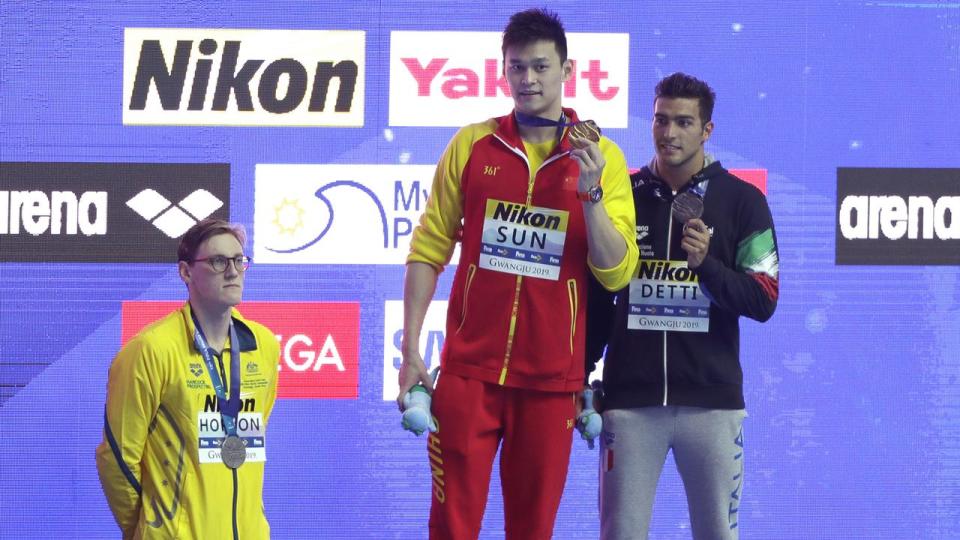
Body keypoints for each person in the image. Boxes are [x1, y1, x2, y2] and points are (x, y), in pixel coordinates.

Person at [396, 8, 638, 540]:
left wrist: (591, 193)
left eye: (541, 67)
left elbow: (617, 273)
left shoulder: (605, 158)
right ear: (503, 71)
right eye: (517, 68)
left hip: (552, 383)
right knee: (450, 528)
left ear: (567, 71)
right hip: (467, 376)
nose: (528, 80)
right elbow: (429, 247)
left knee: (532, 531)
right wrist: (411, 349)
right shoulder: (472, 145)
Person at [586, 72, 780, 539]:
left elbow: (764, 298)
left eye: (684, 122)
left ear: (707, 130)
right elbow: (596, 295)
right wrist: (581, 372)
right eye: (660, 120)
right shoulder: (622, 196)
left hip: (712, 406)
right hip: (630, 404)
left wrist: (707, 266)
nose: (669, 133)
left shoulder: (743, 201)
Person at [96, 218, 280, 540]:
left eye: (239, 260)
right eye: (218, 261)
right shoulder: (150, 350)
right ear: (185, 272)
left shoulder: (263, 347)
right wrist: (147, 528)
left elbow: (253, 437)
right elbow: (118, 457)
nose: (233, 272)